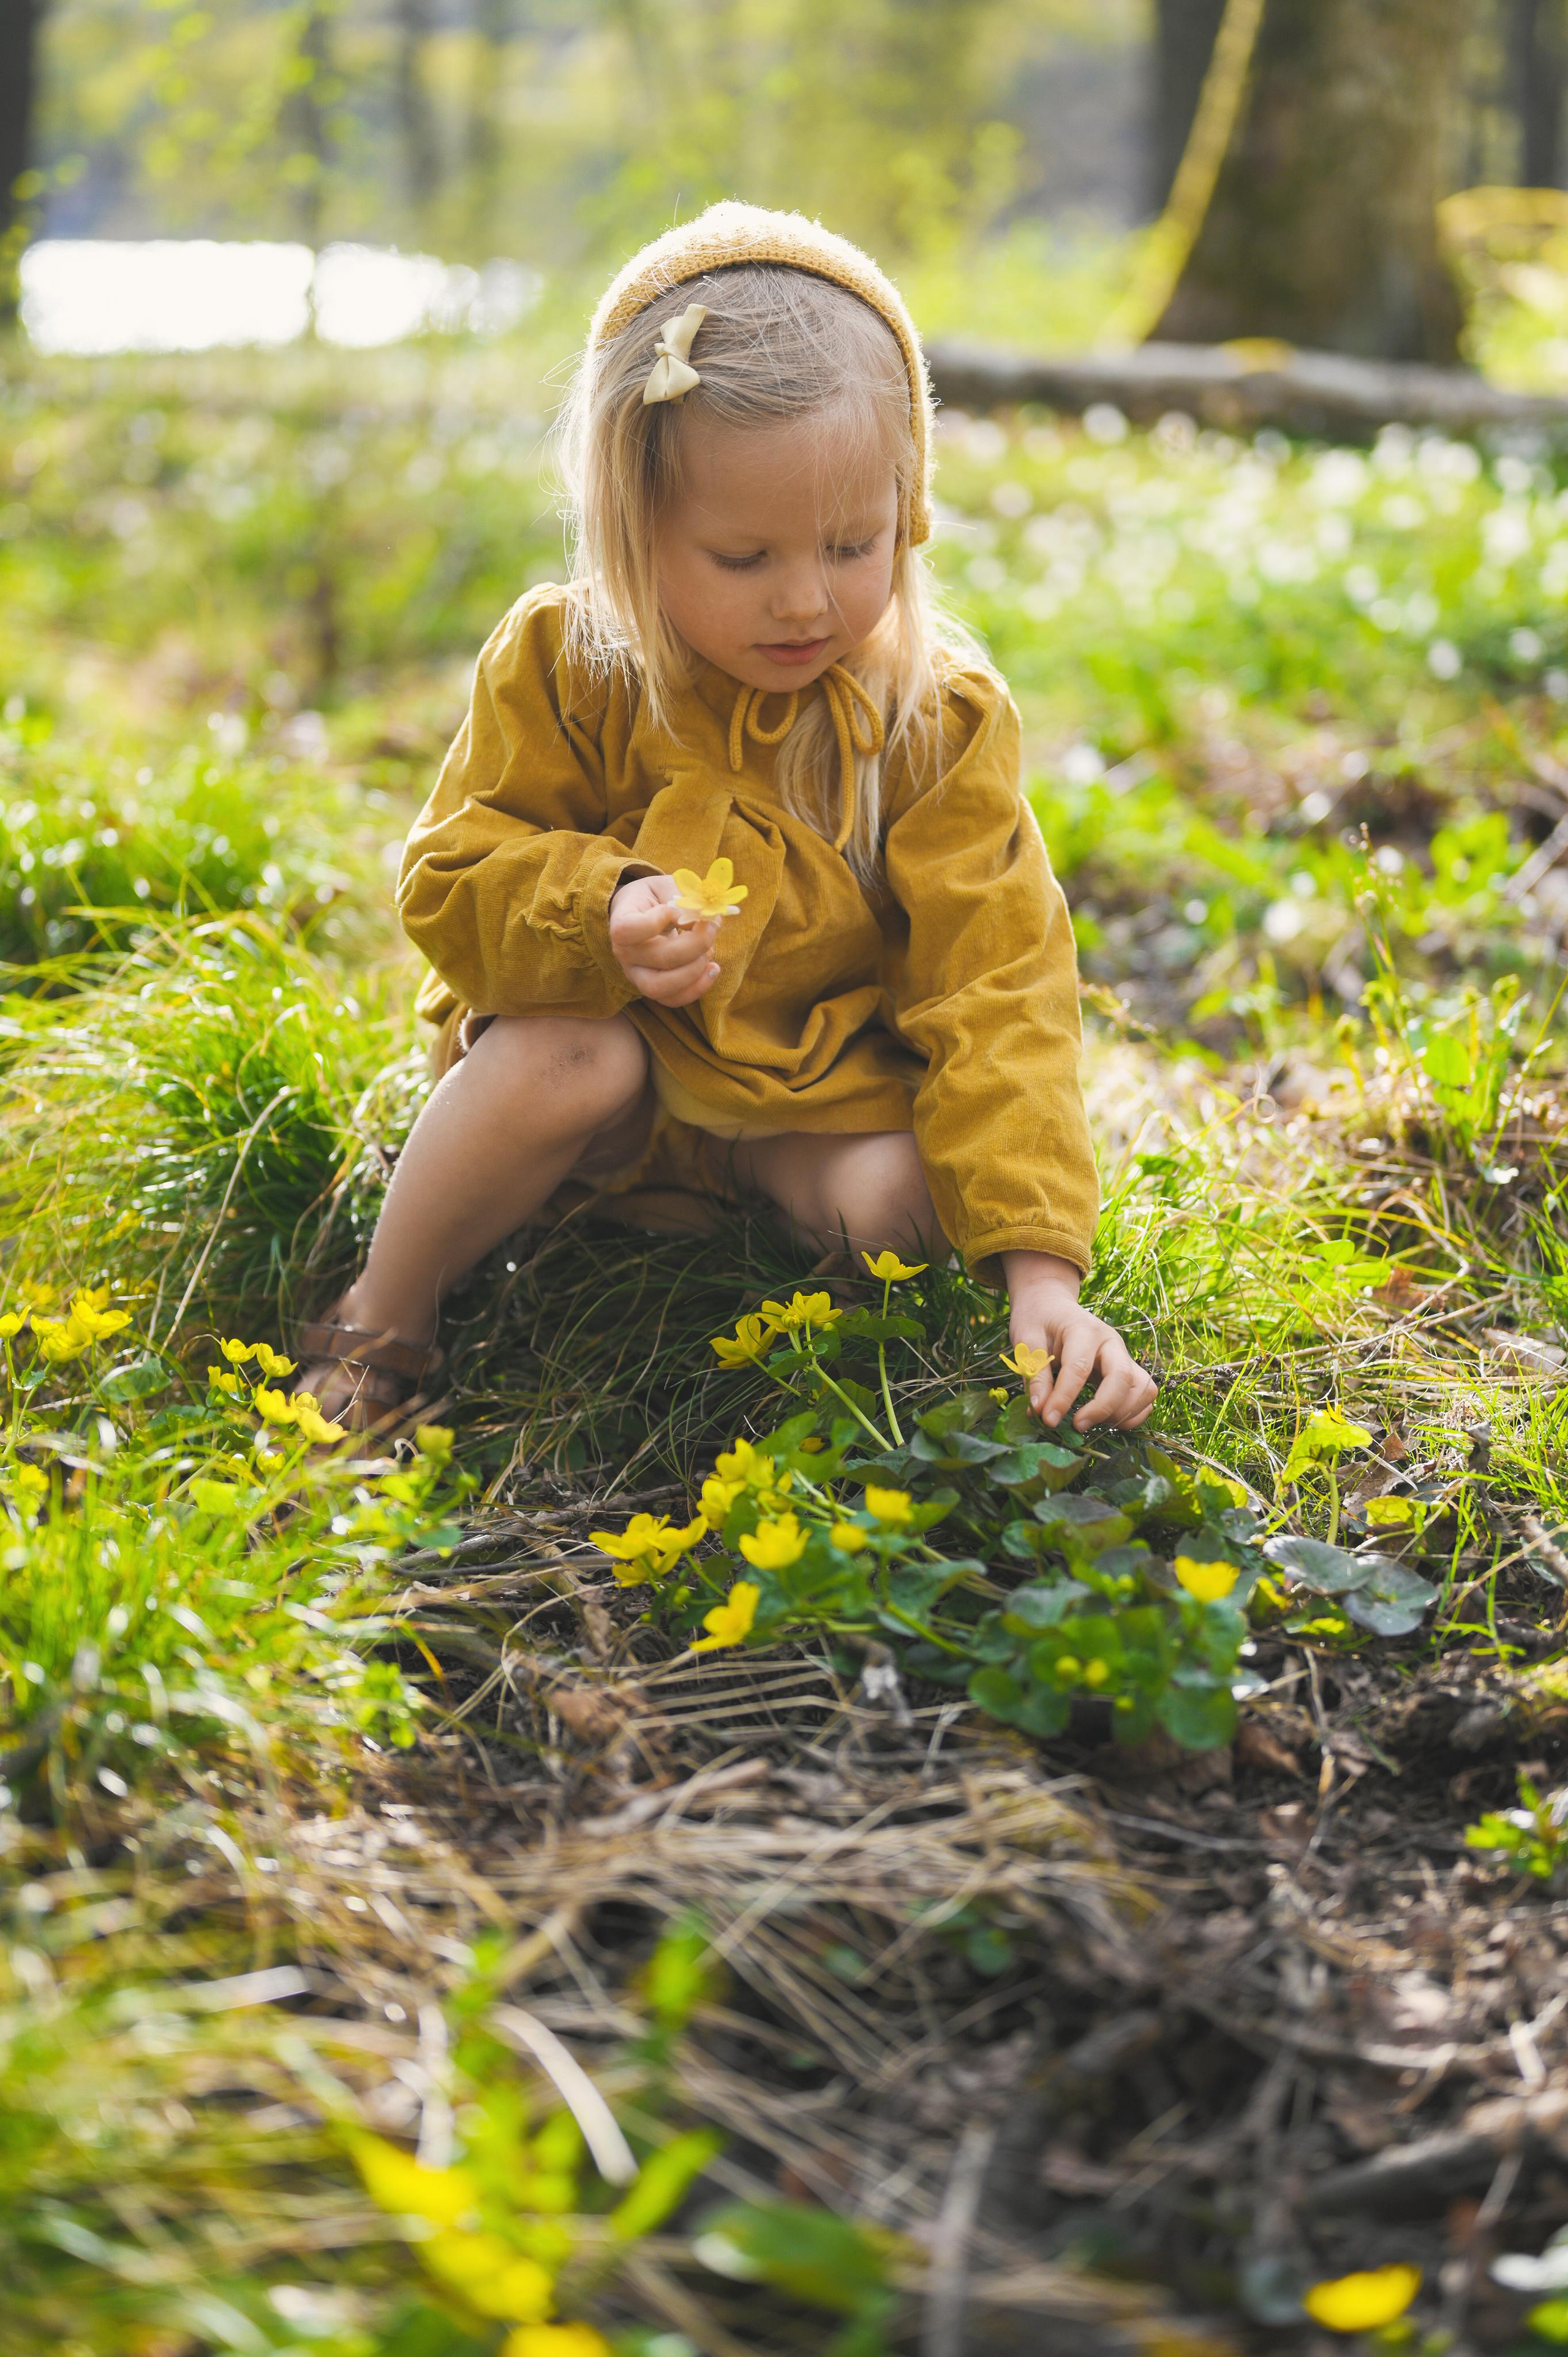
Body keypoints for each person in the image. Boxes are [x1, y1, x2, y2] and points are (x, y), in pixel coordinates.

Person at [295, 201, 1156, 1439]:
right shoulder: (569, 661)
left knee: (902, 1201)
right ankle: (390, 1307)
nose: (804, 600)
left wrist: (1040, 1274)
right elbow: (449, 875)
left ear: (906, 511)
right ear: (636, 530)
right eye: (742, 557)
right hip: (606, 1098)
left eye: (851, 544)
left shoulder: (934, 717)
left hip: (799, 1111)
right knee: (570, 1055)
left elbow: (995, 982)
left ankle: (696, 1244)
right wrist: (598, 912)